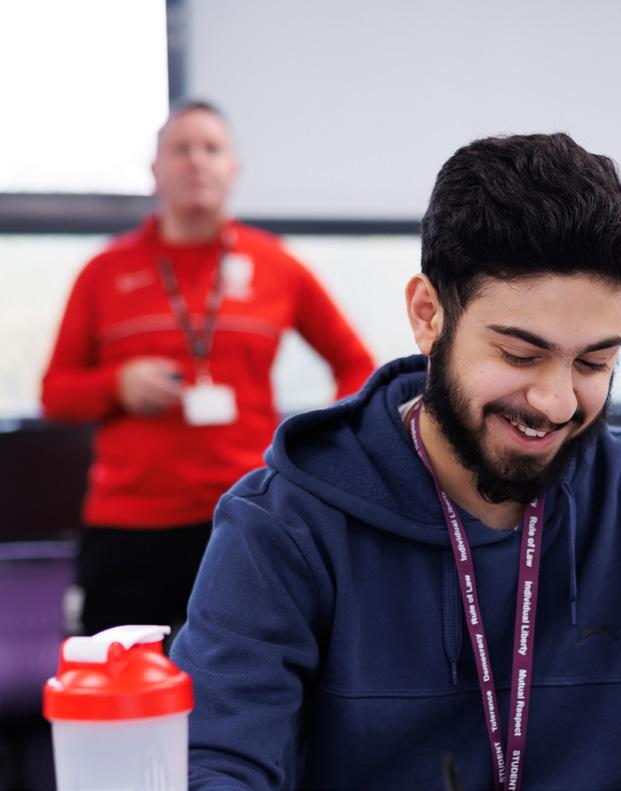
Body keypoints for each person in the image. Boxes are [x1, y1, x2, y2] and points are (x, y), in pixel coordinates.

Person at [171, 133, 621, 790]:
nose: (555, 401)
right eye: (519, 354)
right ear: (428, 315)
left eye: (594, 362)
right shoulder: (283, 527)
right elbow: (209, 763)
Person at [41, 100, 375, 637]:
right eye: (181, 149)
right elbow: (55, 394)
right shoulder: (103, 270)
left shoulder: (276, 264)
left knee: (250, 674)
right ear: (156, 171)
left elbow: (355, 364)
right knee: (120, 681)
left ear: (233, 168)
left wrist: (318, 447)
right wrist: (118, 384)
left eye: (211, 148)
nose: (196, 161)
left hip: (248, 511)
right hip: (129, 525)